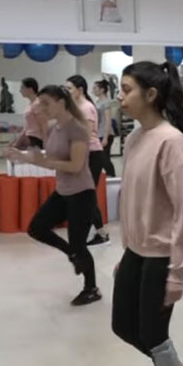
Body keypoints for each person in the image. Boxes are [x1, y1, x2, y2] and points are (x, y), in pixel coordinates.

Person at [113, 61, 183, 366]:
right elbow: (132, 201)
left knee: (153, 334)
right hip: (137, 250)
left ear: (150, 95)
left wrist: (178, 271)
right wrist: (127, 251)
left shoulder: (171, 142)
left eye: (126, 90)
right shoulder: (135, 138)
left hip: (163, 254)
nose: (120, 97)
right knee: (123, 326)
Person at [4, 85, 101, 306]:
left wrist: (44, 162)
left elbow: (76, 166)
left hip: (81, 193)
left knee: (79, 244)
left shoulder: (77, 129)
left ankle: (91, 289)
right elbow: (47, 159)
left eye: (46, 103)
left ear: (62, 103)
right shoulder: (54, 128)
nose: (42, 108)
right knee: (36, 228)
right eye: (41, 103)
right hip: (62, 191)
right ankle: (72, 254)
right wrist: (22, 156)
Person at [65, 75, 110, 246]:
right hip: (84, 154)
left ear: (80, 90)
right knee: (84, 196)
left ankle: (100, 234)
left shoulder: (87, 107)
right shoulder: (76, 107)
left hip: (92, 154)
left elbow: (86, 133)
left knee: (87, 196)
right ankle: (99, 233)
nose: (67, 92)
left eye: (69, 88)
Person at [11, 77, 49, 149]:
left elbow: (44, 124)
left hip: (36, 139)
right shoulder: (30, 104)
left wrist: (45, 143)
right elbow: (27, 126)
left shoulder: (37, 104)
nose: (20, 90)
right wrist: (17, 142)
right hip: (29, 137)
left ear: (30, 89)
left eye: (22, 88)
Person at [93, 80, 117, 177]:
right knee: (99, 158)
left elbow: (108, 120)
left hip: (105, 133)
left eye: (95, 88)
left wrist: (106, 137)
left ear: (102, 90)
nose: (93, 90)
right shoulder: (97, 102)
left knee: (104, 158)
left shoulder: (106, 102)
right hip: (99, 133)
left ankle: (111, 175)